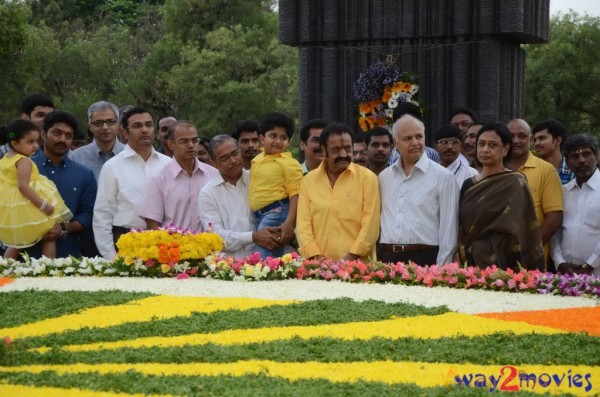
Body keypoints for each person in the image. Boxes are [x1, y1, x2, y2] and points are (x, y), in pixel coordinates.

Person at [459, 122, 544, 270]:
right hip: (469, 262)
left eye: (492, 145)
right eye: (481, 144)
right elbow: (461, 226)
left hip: (505, 263)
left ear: (505, 149)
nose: (485, 149)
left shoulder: (516, 182)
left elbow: (520, 227)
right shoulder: (468, 185)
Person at [379, 115, 458, 266]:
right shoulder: (384, 177)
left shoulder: (444, 177)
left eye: (419, 137)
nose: (415, 143)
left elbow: (449, 230)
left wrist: (443, 270)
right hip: (387, 259)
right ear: (396, 143)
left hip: (426, 259)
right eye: (408, 138)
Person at [93, 107, 171, 260]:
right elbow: (102, 215)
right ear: (125, 132)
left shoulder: (168, 164)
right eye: (137, 126)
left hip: (165, 241)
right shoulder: (112, 167)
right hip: (125, 241)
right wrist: (110, 256)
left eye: (148, 125)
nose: (144, 130)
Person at [297, 123, 380, 261]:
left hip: (359, 270)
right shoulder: (308, 181)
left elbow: (370, 226)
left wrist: (347, 260)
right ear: (324, 150)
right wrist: (317, 259)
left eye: (347, 149)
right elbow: (303, 226)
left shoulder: (367, 178)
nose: (343, 154)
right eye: (335, 149)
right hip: (318, 270)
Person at [199, 135, 281, 257]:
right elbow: (215, 237)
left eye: (235, 153)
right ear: (214, 163)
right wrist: (253, 237)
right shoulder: (208, 193)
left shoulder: (257, 179)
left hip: (266, 261)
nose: (233, 160)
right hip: (228, 268)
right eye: (225, 158)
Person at [30, 111, 97, 258]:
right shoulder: (24, 168)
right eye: (57, 133)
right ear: (43, 134)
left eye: (68, 136)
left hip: (68, 258)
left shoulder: (84, 174)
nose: (63, 139)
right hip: (23, 256)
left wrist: (63, 229)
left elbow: (88, 213)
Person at [0, 120, 71, 259]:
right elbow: (23, 186)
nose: (35, 146)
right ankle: (48, 267)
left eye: (37, 141)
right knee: (49, 233)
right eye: (30, 142)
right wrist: (43, 205)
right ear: (15, 143)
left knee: (17, 241)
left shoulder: (6, 158)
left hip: (15, 207)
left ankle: (4, 268)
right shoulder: (24, 161)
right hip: (29, 204)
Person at [139, 121, 218, 231]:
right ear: (171, 144)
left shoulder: (213, 174)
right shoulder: (160, 178)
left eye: (194, 140)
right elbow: (153, 222)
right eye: (184, 141)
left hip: (210, 246)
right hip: (174, 246)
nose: (191, 145)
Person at [506, 118, 563, 269]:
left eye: (522, 136)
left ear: (530, 140)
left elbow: (554, 218)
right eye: (511, 136)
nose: (516, 140)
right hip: (495, 259)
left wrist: (530, 252)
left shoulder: (546, 170)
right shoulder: (494, 168)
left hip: (532, 262)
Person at [249, 112, 303, 258]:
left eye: (283, 138)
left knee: (262, 260)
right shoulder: (257, 159)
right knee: (268, 260)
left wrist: (289, 224)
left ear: (289, 142)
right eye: (273, 136)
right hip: (259, 216)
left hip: (277, 214)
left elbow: (295, 194)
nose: (278, 141)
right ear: (261, 138)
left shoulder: (290, 163)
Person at [551, 134, 600, 276]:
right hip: (567, 275)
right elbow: (556, 231)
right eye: (575, 156)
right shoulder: (563, 192)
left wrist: (589, 265)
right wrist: (560, 262)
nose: (582, 160)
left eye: (587, 154)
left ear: (596, 156)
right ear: (567, 161)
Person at [70, 101, 126, 181]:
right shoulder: (76, 158)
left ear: (118, 124)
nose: (105, 127)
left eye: (110, 122)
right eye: (98, 123)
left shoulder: (130, 154)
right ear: (90, 127)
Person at [0, 94, 55, 159]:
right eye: (40, 115)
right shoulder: (4, 152)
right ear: (25, 118)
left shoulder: (59, 152)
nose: (47, 120)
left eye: (51, 116)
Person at [532, 119, 574, 184]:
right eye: (535, 140)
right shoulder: (531, 171)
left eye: (542, 138)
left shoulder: (574, 171)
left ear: (558, 141)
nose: (536, 143)